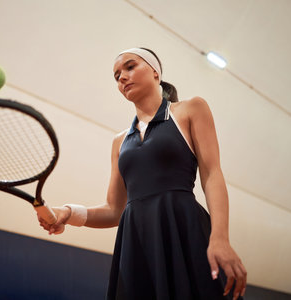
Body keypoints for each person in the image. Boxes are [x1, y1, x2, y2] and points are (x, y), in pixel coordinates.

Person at [38, 47, 247, 299]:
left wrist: (220, 238)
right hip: (136, 242)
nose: (122, 77)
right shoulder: (119, 142)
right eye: (116, 76)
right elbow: (114, 210)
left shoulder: (191, 109)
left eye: (130, 66)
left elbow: (212, 175)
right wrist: (68, 213)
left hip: (184, 231)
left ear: (156, 72)